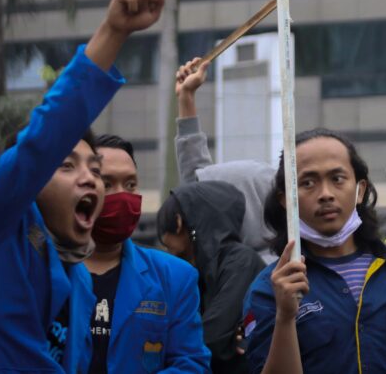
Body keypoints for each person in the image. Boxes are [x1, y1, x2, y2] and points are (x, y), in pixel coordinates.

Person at [0, 0, 167, 372]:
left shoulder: (78, 276)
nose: (91, 181)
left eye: (95, 170)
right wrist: (113, 33)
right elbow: (42, 140)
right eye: (66, 166)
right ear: (27, 183)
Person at [242, 128, 386, 373]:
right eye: (308, 183)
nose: (325, 194)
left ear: (360, 189)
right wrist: (285, 317)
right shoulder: (270, 288)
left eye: (337, 178)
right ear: (285, 199)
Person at [85, 134, 209, 372]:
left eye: (130, 184)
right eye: (107, 184)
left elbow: (191, 364)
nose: (122, 196)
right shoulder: (45, 272)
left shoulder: (175, 277)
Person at [157, 179, 266, 373]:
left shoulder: (240, 261)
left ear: (179, 222)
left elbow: (213, 337)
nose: (168, 252)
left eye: (166, 245)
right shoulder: (207, 268)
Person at [175, 57, 276, 262]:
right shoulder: (295, 263)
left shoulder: (251, 271)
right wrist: (186, 97)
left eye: (218, 202)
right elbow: (195, 180)